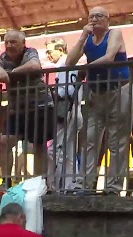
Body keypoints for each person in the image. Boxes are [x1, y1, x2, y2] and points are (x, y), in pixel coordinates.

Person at [66, 7, 133, 195]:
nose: (95, 20)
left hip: (118, 90)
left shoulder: (114, 34)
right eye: (91, 17)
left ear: (107, 20)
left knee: (117, 140)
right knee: (89, 138)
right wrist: (82, 37)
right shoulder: (87, 39)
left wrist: (84, 69)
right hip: (96, 93)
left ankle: (113, 186)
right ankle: (84, 183)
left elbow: (109, 57)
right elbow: (70, 62)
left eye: (99, 16)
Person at [0, 30, 56, 193]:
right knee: (4, 141)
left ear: (23, 43)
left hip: (39, 106)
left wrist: (11, 73)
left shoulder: (30, 52)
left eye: (13, 42)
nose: (9, 45)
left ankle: (42, 183)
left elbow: (34, 65)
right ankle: (5, 181)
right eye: (7, 42)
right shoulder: (3, 58)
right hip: (17, 109)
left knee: (39, 145)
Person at [45, 37, 84, 193]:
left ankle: (54, 186)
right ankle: (69, 186)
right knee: (69, 153)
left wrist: (50, 94)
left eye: (50, 51)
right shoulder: (73, 65)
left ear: (60, 50)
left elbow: (65, 91)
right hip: (77, 111)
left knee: (54, 151)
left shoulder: (64, 65)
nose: (48, 55)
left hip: (66, 112)